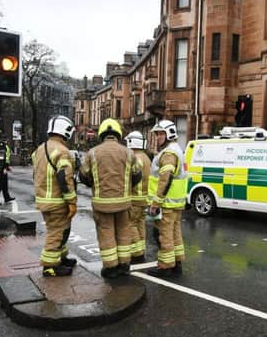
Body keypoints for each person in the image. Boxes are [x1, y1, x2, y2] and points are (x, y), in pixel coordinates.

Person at [79, 118, 142, 278]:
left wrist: (94, 183)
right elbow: (137, 175)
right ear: (118, 134)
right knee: (123, 232)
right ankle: (124, 264)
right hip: (124, 203)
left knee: (106, 234)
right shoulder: (129, 153)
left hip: (102, 204)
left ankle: (111, 268)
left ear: (102, 134)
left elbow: (83, 176)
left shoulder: (92, 153)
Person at [31, 116, 78, 277]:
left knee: (61, 230)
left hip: (43, 199)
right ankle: (50, 266)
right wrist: (72, 201)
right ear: (66, 131)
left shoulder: (39, 149)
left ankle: (61, 257)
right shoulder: (62, 151)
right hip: (58, 201)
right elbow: (65, 178)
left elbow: (36, 174)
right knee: (56, 232)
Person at [146, 119, 187, 278]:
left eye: (160, 134)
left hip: (166, 204)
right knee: (175, 234)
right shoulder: (177, 150)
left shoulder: (168, 153)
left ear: (169, 134)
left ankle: (165, 266)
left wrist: (156, 202)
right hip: (175, 203)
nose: (157, 137)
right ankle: (177, 263)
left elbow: (166, 179)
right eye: (156, 134)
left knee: (165, 235)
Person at [124, 131, 152, 264]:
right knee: (140, 224)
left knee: (131, 224)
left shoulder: (135, 158)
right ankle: (140, 250)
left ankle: (136, 253)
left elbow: (128, 179)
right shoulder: (146, 157)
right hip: (144, 199)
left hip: (134, 198)